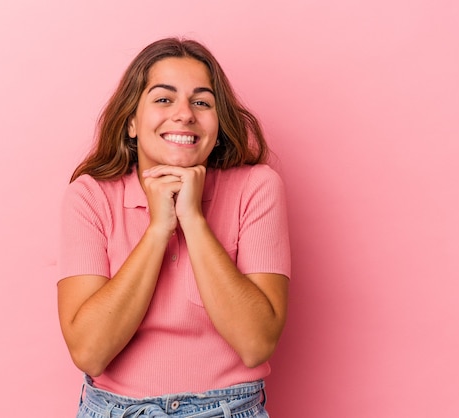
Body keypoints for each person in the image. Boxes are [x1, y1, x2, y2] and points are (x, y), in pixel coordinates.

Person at [57, 37, 291, 418]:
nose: (184, 114)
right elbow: (90, 353)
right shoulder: (89, 196)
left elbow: (256, 344)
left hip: (230, 409)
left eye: (202, 102)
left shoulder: (257, 187)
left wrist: (193, 220)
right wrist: (157, 229)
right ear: (131, 121)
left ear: (218, 126)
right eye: (164, 99)